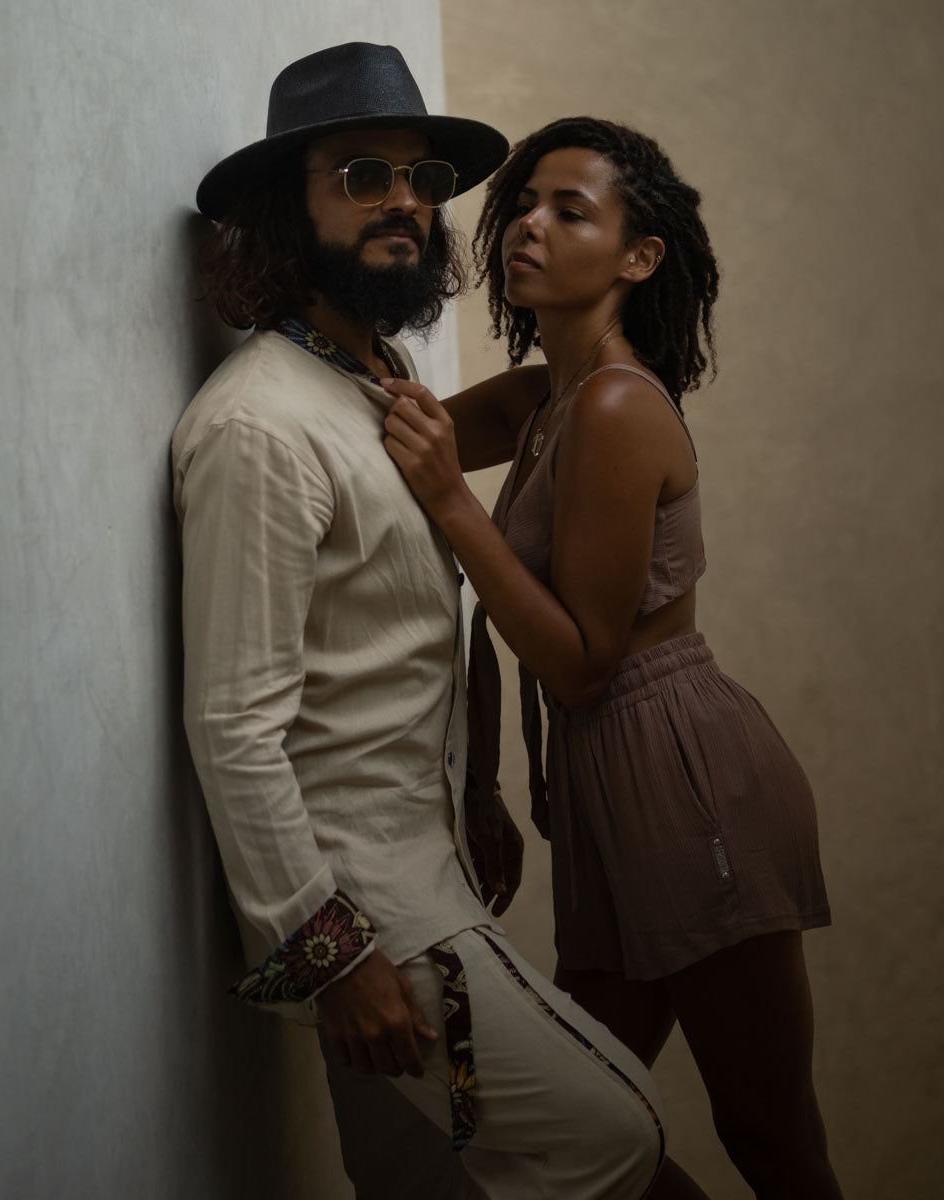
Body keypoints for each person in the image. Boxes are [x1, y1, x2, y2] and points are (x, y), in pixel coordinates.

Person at [172, 48, 669, 1199]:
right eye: (362, 174)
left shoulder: (373, 382)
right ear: (283, 211)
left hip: (426, 860)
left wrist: (480, 788)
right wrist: (334, 958)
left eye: (420, 176)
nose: (407, 199)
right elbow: (234, 725)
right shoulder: (260, 426)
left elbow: (419, 619)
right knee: (616, 1135)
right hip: (361, 909)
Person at [382, 116, 844, 1199]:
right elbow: (384, 441)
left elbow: (586, 662)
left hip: (685, 781)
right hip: (611, 783)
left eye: (568, 211)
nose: (527, 227)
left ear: (639, 260)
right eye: (523, 207)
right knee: (584, 1119)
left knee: (770, 1137)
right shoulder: (548, 398)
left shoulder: (620, 408)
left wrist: (452, 496)